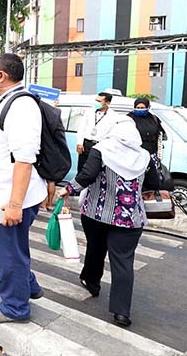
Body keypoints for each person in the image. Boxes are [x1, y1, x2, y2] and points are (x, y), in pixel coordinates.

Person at [57, 116, 150, 327]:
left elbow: (87, 175)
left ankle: (92, 282)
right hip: (130, 219)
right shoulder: (145, 155)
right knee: (124, 262)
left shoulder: (102, 149)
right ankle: (121, 313)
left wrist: (68, 189)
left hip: (98, 213)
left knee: (96, 247)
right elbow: (155, 182)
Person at [0, 54, 47, 324]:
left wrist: (15, 205)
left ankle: (15, 307)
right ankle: (27, 285)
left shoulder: (21, 106)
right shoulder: (1, 100)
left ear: (1, 76)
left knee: (9, 253)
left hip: (10, 200)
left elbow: (25, 159)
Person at [127, 98, 166, 191]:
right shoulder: (128, 118)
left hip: (151, 154)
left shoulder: (154, 119)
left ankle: (148, 195)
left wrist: (159, 153)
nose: (140, 109)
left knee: (150, 178)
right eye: (138, 107)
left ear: (148, 107)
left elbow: (160, 135)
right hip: (135, 154)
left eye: (143, 107)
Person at [76, 92, 117, 172]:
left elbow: (112, 133)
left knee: (95, 170)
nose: (96, 103)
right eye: (96, 100)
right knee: (82, 169)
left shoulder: (113, 116)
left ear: (107, 103)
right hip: (86, 145)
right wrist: (79, 143)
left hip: (100, 146)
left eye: (99, 101)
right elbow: (82, 127)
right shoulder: (89, 111)